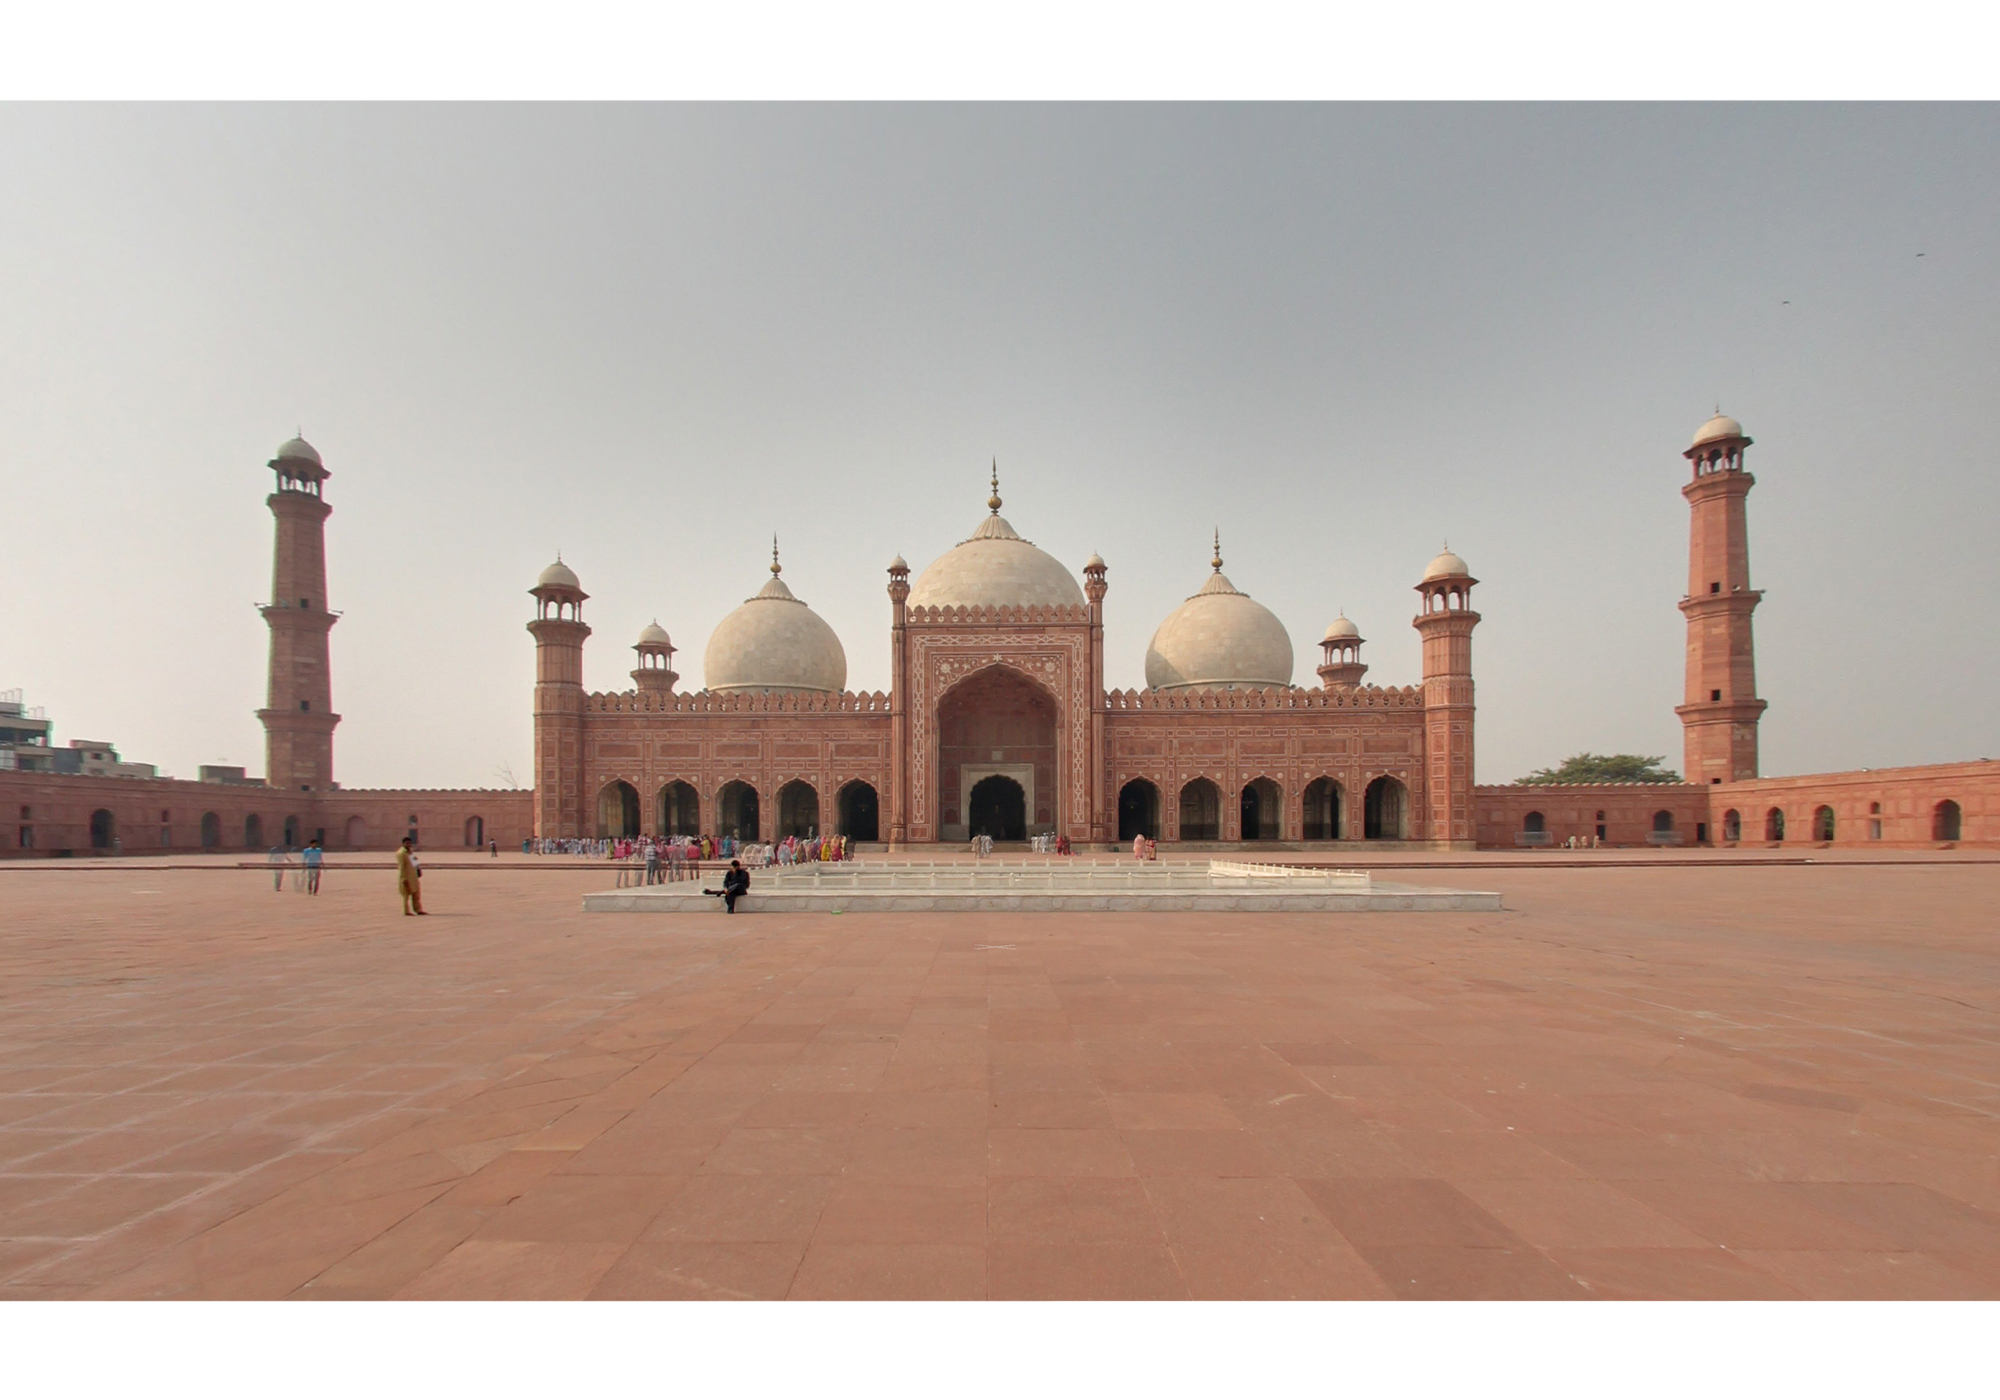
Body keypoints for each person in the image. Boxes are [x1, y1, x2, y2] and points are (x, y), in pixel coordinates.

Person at [396, 836, 426, 915]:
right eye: (407, 843)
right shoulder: (401, 853)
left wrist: (418, 870)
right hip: (406, 877)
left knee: (416, 894)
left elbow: (415, 862)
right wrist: (403, 878)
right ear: (403, 844)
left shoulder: (410, 852)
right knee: (406, 895)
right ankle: (406, 911)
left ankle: (418, 909)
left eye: (409, 843)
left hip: (413, 876)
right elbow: (401, 867)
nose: (409, 844)